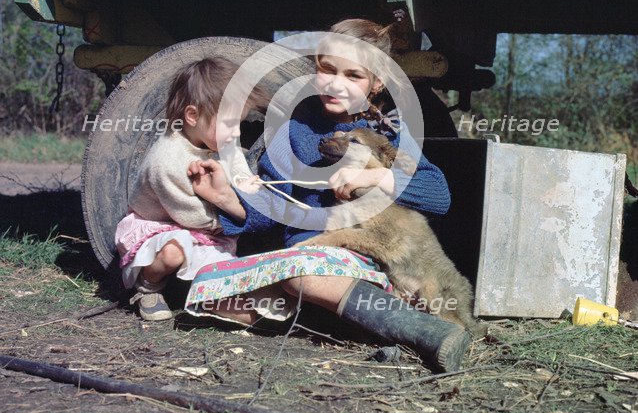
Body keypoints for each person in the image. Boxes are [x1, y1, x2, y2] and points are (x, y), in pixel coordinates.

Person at [186, 20, 472, 372]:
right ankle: (362, 322)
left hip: (373, 258)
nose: (338, 83)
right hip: (312, 253)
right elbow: (274, 206)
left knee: (297, 279)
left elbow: (437, 194)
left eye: (354, 76)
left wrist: (376, 175)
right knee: (220, 287)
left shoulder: (387, 135)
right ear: (315, 68)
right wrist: (226, 199)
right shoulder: (292, 129)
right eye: (328, 69)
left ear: (376, 83)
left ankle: (428, 333)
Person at [114, 57, 266, 321]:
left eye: (239, 123)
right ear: (193, 115)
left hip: (204, 228)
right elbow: (191, 217)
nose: (235, 132)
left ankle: (203, 296)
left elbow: (238, 167)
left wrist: (246, 185)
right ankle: (148, 285)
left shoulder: (223, 140)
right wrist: (236, 212)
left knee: (220, 271)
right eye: (229, 123)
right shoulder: (168, 160)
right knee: (175, 251)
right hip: (164, 225)